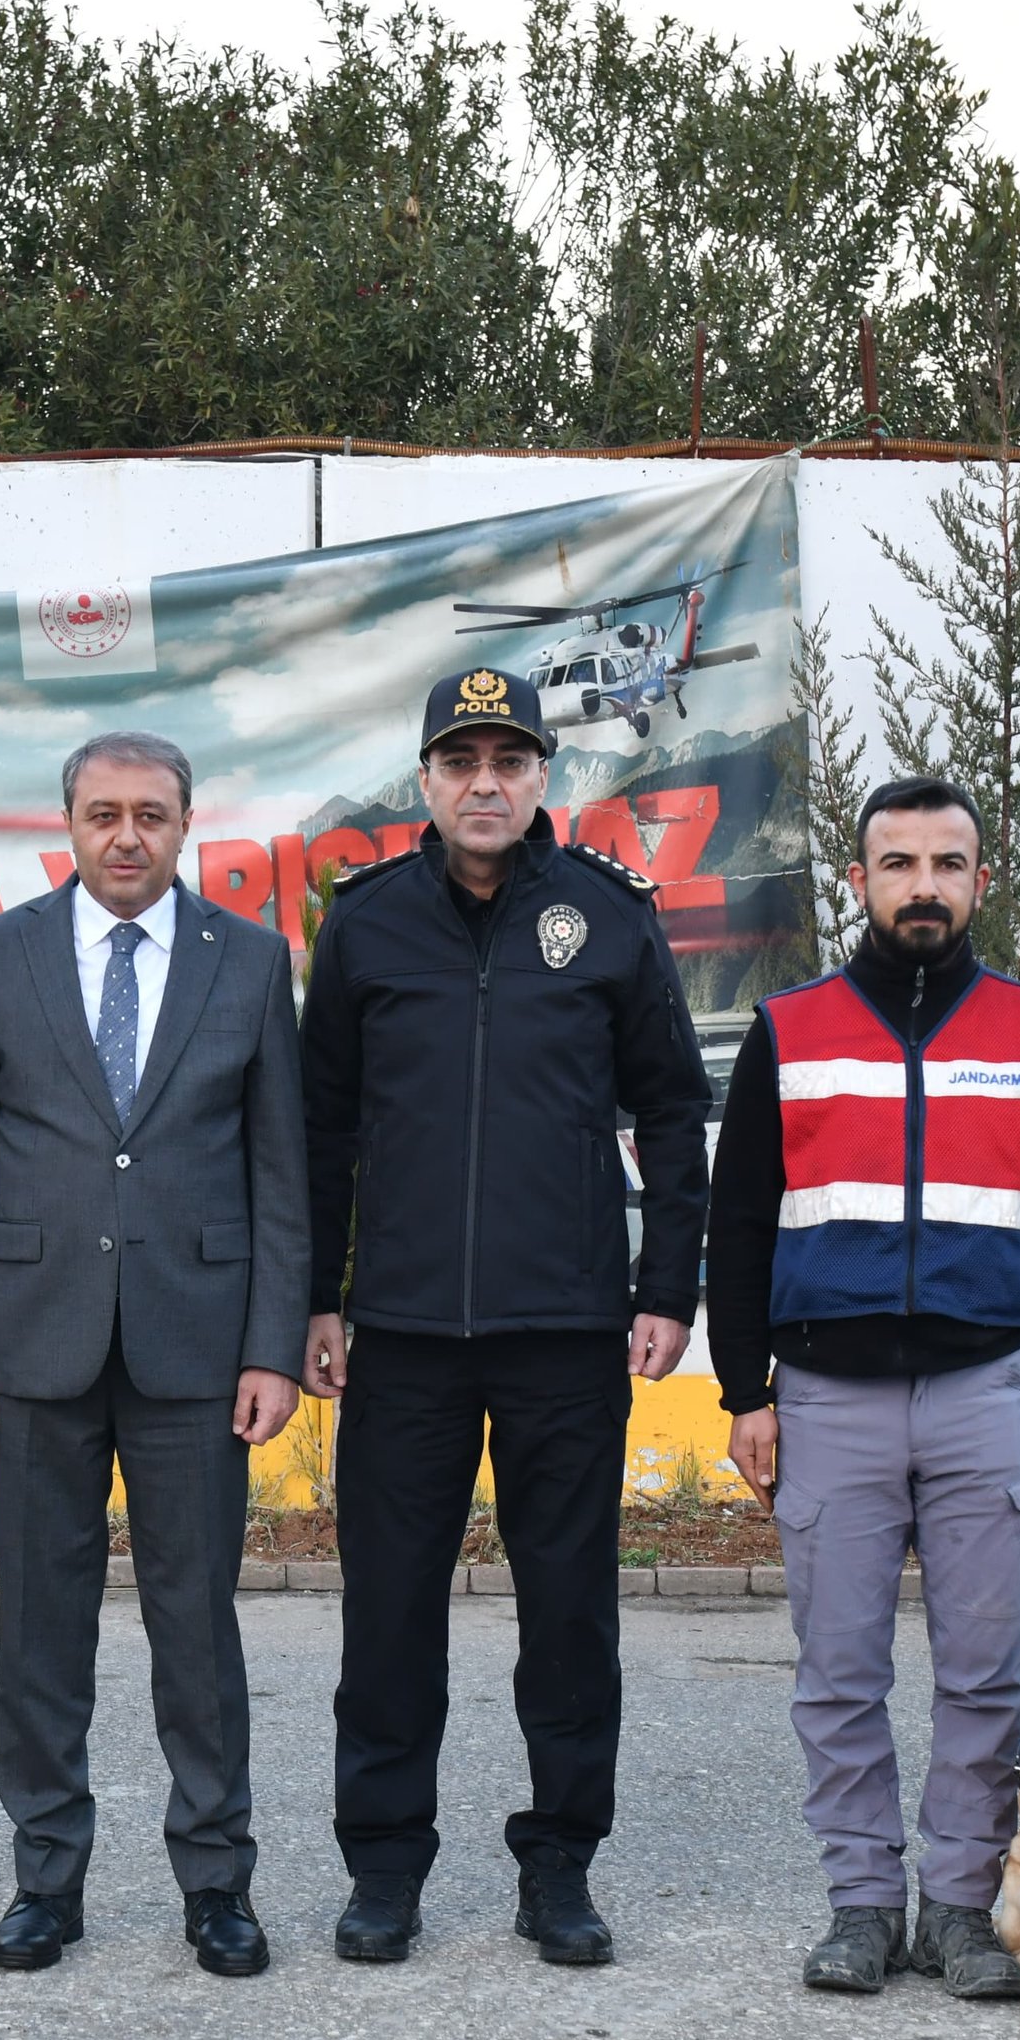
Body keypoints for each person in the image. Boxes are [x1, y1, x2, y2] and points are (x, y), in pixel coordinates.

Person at [298, 664, 709, 1971]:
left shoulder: (609, 918)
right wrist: (316, 1295)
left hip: (566, 1333)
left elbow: (672, 1115)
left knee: (571, 1619)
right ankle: (384, 1870)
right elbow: (320, 1131)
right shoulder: (363, 927)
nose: (487, 783)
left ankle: (561, 1868)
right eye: (462, 760)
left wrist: (666, 1290)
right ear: (424, 780)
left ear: (545, 778)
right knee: (390, 1621)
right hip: (403, 1338)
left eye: (511, 761)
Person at [710, 775, 1020, 2001]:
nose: (924, 888)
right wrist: (746, 1390)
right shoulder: (789, 1033)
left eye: (948, 865)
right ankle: (856, 1904)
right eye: (898, 865)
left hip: (984, 1392)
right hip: (827, 1399)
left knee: (986, 1671)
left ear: (979, 881)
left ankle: (956, 1905)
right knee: (838, 1669)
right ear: (860, 881)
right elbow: (739, 1228)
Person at [0, 729, 310, 1977]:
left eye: (151, 814)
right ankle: (47, 1880)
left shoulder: (248, 962)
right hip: (34, 1344)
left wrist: (271, 1349)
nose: (126, 836)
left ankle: (216, 1885)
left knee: (196, 1630)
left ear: (187, 826)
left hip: (198, 1353)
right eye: (103, 814)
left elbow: (278, 1179)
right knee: (42, 1629)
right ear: (69, 825)